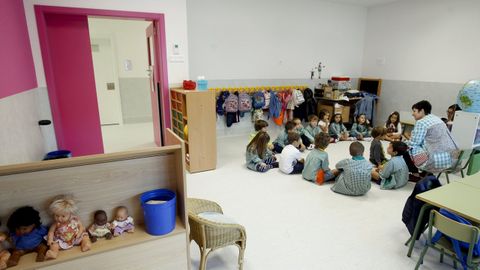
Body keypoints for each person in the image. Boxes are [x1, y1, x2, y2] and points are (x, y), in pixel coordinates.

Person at [406, 100, 459, 174]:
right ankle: (423, 174)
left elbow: (414, 143)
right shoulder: (437, 119)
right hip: (451, 157)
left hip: (435, 160)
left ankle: (416, 174)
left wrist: (405, 142)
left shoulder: (421, 122)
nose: (412, 114)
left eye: (414, 111)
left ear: (422, 111)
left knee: (406, 149)